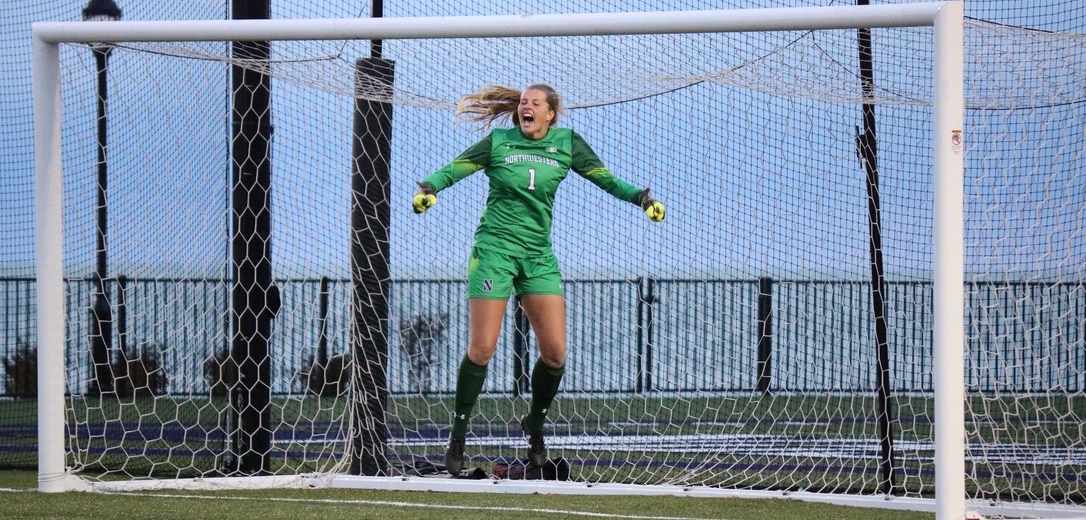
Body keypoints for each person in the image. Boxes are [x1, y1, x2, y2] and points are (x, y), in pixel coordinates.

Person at [412, 83, 665, 476]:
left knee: (555, 354)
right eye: (523, 103)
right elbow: (455, 169)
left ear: (551, 113)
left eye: (535, 103)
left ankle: (534, 427)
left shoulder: (567, 144)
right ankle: (458, 436)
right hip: (494, 253)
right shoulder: (499, 142)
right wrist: (431, 188)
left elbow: (606, 178)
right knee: (482, 349)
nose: (526, 107)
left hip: (538, 258)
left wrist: (641, 198)